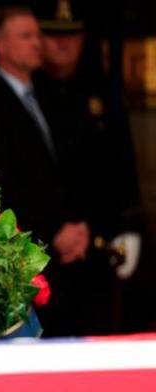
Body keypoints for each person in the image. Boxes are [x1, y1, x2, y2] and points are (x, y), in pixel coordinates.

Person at [0, 7, 98, 335]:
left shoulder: (49, 95)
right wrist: (53, 231)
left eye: (38, 35)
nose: (37, 43)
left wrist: (80, 224)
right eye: (26, 36)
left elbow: (72, 168)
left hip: (69, 248)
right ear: (0, 45)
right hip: (30, 246)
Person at [34, 0, 144, 334]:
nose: (63, 44)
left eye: (71, 35)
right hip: (45, 248)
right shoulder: (28, 91)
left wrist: (129, 224)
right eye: (53, 36)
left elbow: (123, 159)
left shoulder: (99, 86)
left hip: (99, 241)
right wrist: (53, 229)